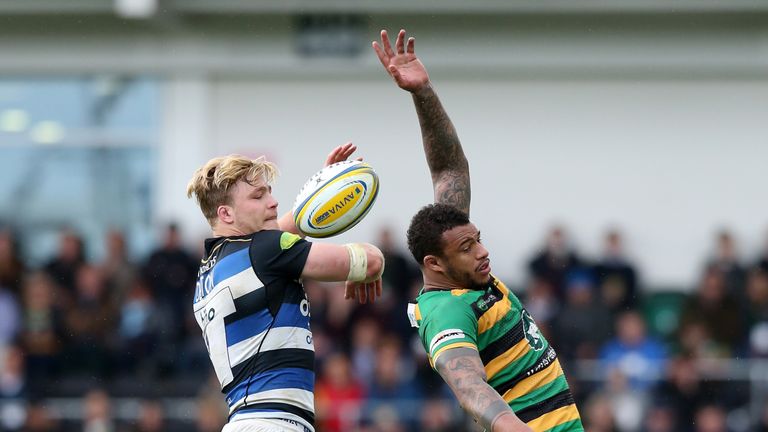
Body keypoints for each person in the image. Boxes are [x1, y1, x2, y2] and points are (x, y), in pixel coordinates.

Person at [373, 29, 584, 431]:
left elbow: (449, 168)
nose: (482, 252)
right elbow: (468, 385)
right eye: (468, 247)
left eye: (479, 239)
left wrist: (422, 93)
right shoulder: (446, 310)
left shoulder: (457, 257)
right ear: (434, 263)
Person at [186, 143, 385, 432]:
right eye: (258, 195)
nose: (273, 201)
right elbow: (372, 262)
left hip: (245, 421)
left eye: (269, 191)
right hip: (276, 424)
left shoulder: (211, 269)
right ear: (226, 214)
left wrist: (323, 188)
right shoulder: (266, 249)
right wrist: (362, 259)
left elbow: (281, 231)